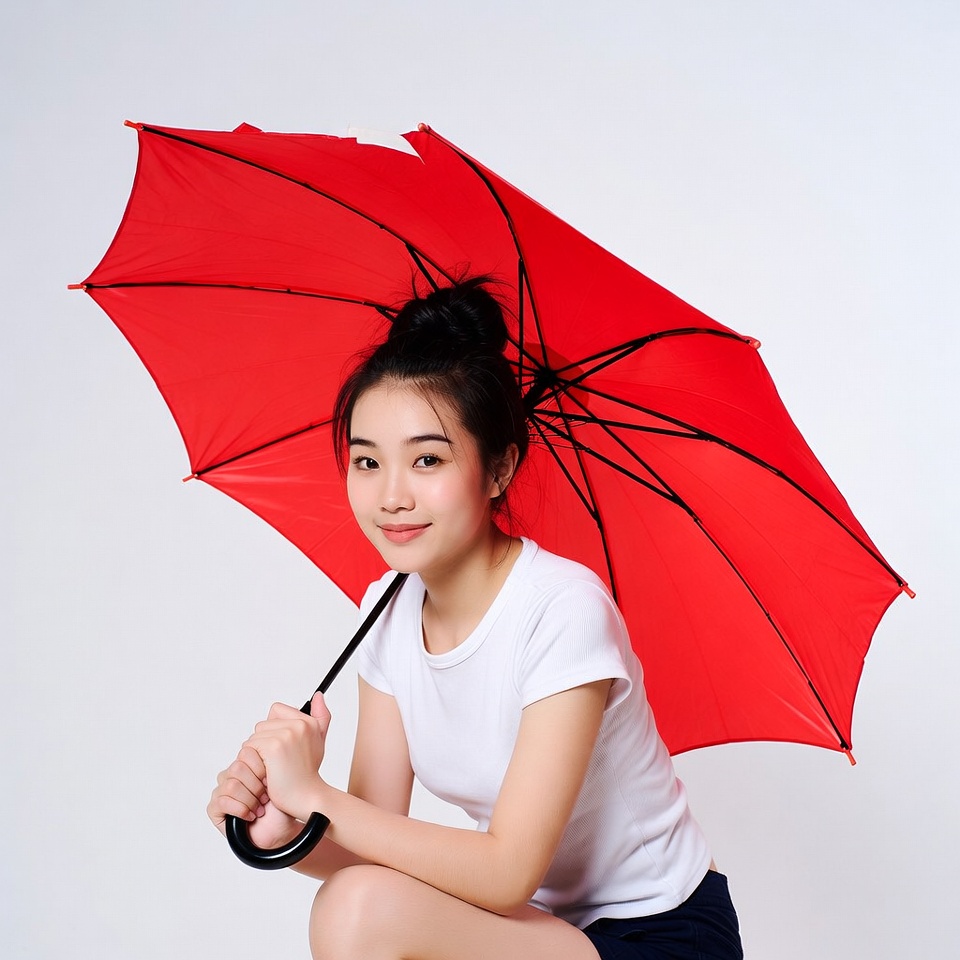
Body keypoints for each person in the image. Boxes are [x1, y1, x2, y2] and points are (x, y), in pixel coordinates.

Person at [207, 278, 744, 959]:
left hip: (659, 935)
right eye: (367, 461)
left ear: (499, 470)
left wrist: (314, 795)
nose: (391, 495)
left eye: (427, 459)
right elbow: (372, 844)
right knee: (355, 899)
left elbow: (507, 871)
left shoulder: (561, 610)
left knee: (357, 906)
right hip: (530, 930)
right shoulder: (387, 610)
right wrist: (280, 827)